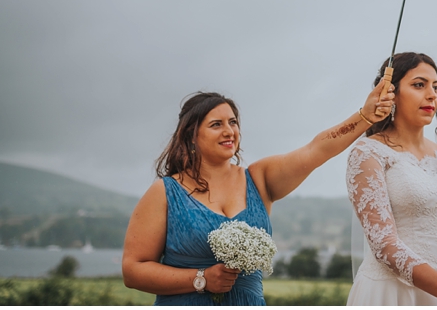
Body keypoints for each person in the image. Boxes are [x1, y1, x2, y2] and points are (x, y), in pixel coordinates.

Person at [122, 78, 396, 305]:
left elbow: (315, 150)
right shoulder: (165, 192)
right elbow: (133, 270)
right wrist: (200, 278)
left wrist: (364, 117)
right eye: (216, 124)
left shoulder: (260, 178)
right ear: (191, 136)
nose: (229, 131)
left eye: (233, 122)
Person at [345, 52, 437, 306]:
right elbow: (385, 246)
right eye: (419, 85)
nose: (432, 94)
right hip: (395, 294)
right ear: (391, 93)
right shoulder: (368, 153)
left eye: (436, 87)